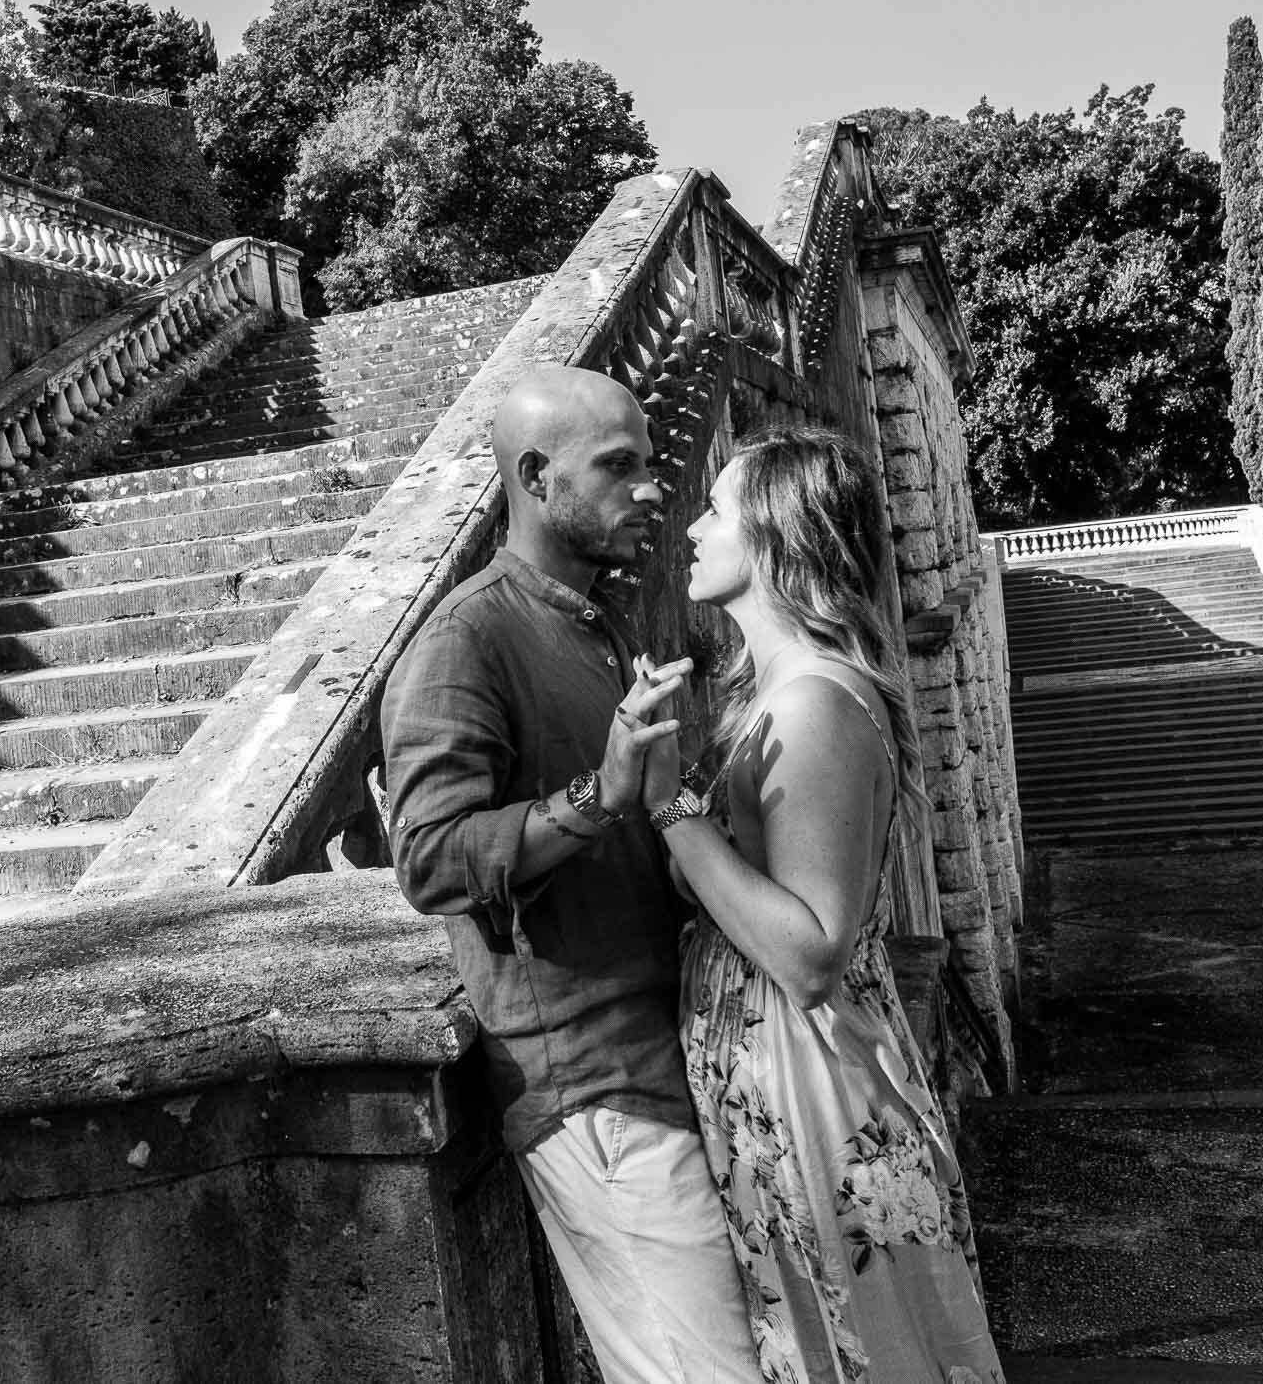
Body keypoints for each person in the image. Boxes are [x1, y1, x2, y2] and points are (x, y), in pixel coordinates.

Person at [382, 365, 766, 1384]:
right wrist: (599, 795)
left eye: (649, 464)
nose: (650, 488)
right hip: (593, 1100)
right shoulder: (464, 640)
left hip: (666, 1069)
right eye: (620, 466)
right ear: (536, 475)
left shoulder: (593, 620)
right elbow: (427, 856)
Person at [657, 425, 1005, 1383]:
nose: (693, 527)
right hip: (780, 1086)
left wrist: (670, 810)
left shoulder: (811, 705)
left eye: (716, 510)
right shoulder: (776, 693)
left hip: (809, 1087)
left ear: (774, 538)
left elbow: (810, 947)